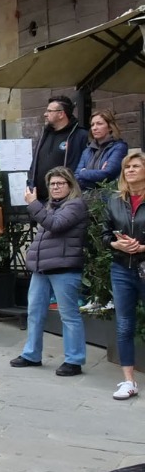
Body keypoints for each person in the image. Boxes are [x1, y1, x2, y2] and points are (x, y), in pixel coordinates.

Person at [11, 167, 89, 375]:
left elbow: (55, 225)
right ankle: (31, 354)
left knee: (68, 315)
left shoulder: (75, 205)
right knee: (34, 313)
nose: (55, 187)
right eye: (52, 184)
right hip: (42, 269)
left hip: (64, 269)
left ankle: (74, 360)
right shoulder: (50, 206)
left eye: (60, 183)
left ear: (70, 186)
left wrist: (33, 204)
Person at [103, 151, 145, 400]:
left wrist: (141, 248)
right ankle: (128, 381)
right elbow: (105, 233)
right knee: (124, 325)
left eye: (136, 166)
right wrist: (115, 245)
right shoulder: (115, 200)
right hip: (121, 268)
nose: (130, 170)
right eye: (127, 167)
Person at [32, 96, 85, 202]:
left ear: (61, 114)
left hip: (65, 200)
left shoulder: (80, 135)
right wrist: (30, 185)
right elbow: (35, 164)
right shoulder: (44, 134)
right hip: (40, 199)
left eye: (49, 111)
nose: (45, 114)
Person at [77, 110, 127, 192]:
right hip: (87, 197)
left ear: (110, 127)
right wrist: (98, 173)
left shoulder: (119, 147)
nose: (94, 128)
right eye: (92, 125)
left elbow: (107, 175)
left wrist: (84, 173)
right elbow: (76, 176)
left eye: (99, 124)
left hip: (109, 196)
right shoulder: (87, 151)